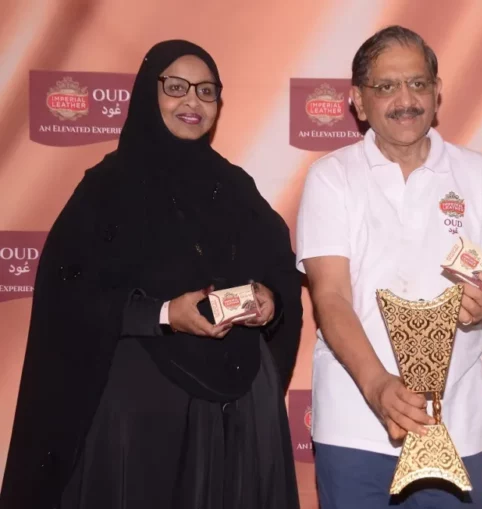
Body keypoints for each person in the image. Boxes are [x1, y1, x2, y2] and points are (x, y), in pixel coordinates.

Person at [0, 40, 301, 509]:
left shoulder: (237, 187)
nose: (192, 102)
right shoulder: (108, 188)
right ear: (147, 92)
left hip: (240, 410)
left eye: (206, 91)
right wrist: (163, 313)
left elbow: (280, 269)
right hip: (144, 411)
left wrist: (272, 300)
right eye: (176, 87)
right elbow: (69, 297)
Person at [296, 25, 482, 509]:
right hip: (356, 421)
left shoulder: (480, 176)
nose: (406, 100)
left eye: (419, 84)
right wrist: (378, 386)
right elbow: (330, 296)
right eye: (386, 87)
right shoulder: (331, 177)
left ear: (438, 92)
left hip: (455, 425)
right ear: (358, 100)